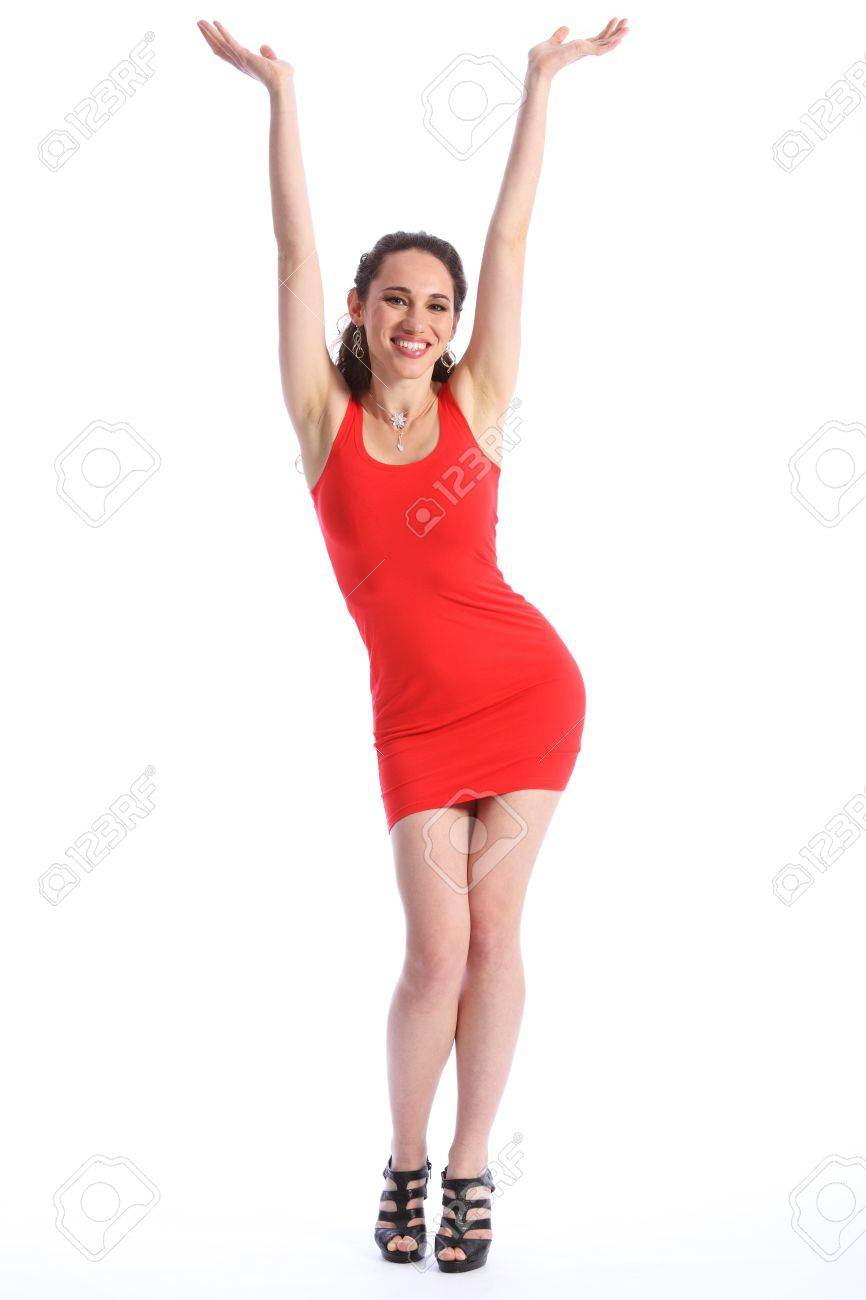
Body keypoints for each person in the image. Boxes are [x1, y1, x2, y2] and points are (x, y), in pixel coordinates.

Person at [198, 15, 628, 1273]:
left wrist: (539, 81)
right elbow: (291, 254)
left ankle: (470, 1165)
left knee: (494, 940)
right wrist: (279, 93)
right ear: (361, 307)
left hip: (530, 696)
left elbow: (511, 239)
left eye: (436, 305)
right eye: (396, 297)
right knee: (433, 954)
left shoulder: (476, 403)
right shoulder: (321, 418)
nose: (418, 318)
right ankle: (402, 1157)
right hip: (416, 724)